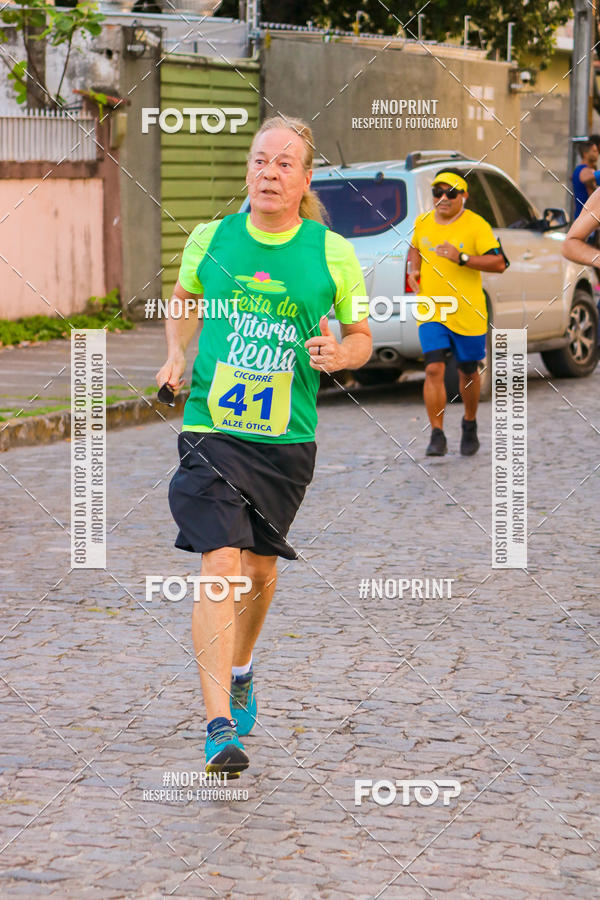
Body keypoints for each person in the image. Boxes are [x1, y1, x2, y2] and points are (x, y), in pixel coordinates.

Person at [155, 115, 372, 777]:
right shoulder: (210, 237)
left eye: (284, 164)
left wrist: (340, 353)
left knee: (260, 572)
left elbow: (361, 336)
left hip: (286, 439)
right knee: (220, 562)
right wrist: (174, 355)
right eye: (260, 161)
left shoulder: (330, 251)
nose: (269, 173)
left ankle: (243, 669)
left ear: (305, 180)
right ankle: (218, 725)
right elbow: (187, 299)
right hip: (212, 427)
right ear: (247, 170)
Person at [408, 169, 507, 457]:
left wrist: (461, 257)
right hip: (432, 308)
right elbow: (415, 247)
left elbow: (499, 262)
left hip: (467, 310)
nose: (443, 198)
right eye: (437, 193)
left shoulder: (477, 225)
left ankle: (469, 422)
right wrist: (414, 270)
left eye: (450, 193)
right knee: (433, 368)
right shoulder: (423, 222)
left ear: (463, 195)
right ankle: (436, 433)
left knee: (468, 372)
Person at [572, 140, 600, 221]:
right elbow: (586, 178)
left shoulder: (577, 170)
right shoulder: (586, 171)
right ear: (585, 154)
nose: (597, 153)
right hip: (587, 219)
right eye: (594, 151)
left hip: (582, 218)